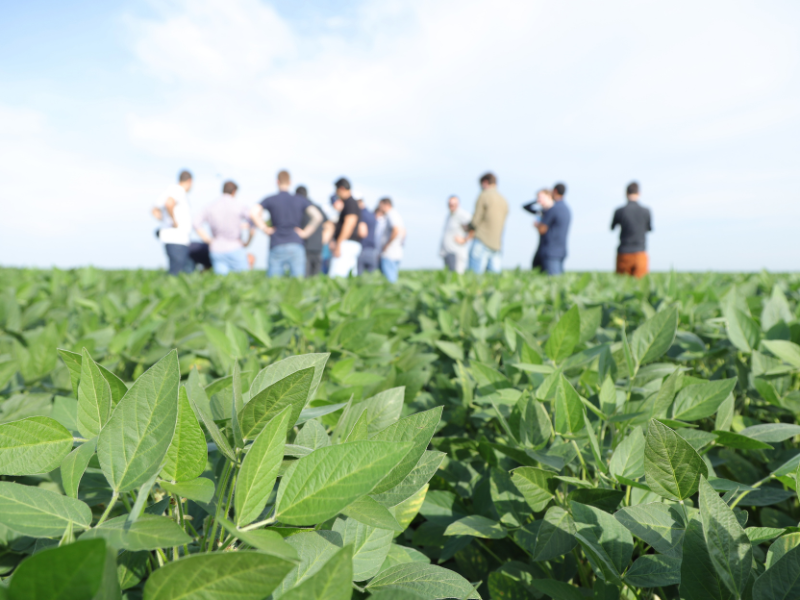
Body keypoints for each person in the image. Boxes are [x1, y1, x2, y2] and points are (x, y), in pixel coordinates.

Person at [251, 170, 323, 278]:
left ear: (277, 181)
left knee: (274, 285)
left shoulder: (271, 199)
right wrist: (305, 233)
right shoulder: (299, 200)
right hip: (296, 244)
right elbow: (318, 216)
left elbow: (253, 213)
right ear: (290, 182)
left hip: (277, 243)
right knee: (297, 285)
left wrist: (265, 229)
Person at [192, 180, 253, 275]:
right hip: (235, 247)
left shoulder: (210, 206)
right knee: (243, 281)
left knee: (222, 285)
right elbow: (253, 220)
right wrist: (248, 241)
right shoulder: (239, 205)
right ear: (234, 192)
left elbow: (196, 223)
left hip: (217, 249)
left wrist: (208, 239)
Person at [152, 170, 194, 275]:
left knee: (175, 270)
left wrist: (164, 220)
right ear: (190, 181)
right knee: (178, 273)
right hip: (177, 238)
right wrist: (173, 221)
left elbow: (154, 210)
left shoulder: (170, 190)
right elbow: (169, 203)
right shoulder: (178, 190)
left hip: (171, 237)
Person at [467, 172, 508, 274]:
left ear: (485, 182)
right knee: (493, 280)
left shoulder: (484, 195)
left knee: (474, 277)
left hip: (482, 240)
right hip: (497, 243)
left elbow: (476, 219)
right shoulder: (503, 200)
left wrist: (468, 227)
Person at [612, 181, 652, 278]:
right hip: (640, 253)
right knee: (640, 286)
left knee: (622, 286)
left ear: (626, 193)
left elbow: (612, 227)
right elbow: (649, 229)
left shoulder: (619, 211)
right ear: (639, 193)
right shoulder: (646, 211)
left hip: (623, 253)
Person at [534, 182, 571, 275]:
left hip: (550, 251)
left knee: (552, 283)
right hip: (561, 250)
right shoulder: (567, 209)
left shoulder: (553, 209)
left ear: (554, 191)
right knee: (558, 282)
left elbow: (542, 229)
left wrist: (537, 225)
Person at [329, 178, 362, 277]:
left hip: (346, 244)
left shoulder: (350, 202)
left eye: (337, 190)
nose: (336, 193)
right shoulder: (352, 202)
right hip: (350, 243)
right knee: (349, 276)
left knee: (335, 276)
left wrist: (339, 243)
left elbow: (349, 224)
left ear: (342, 188)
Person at [296, 185, 327, 277]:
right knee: (315, 278)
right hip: (318, 246)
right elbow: (328, 224)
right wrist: (324, 239)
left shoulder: (300, 209)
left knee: (305, 276)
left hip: (305, 246)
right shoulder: (317, 207)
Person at [524, 189, 555, 271]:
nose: (539, 200)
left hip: (551, 246)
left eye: (540, 197)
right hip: (542, 244)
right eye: (537, 198)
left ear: (549, 196)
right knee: (536, 266)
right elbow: (525, 207)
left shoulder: (554, 210)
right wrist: (537, 201)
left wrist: (538, 226)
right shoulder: (541, 212)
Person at [439, 195, 471, 274]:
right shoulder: (449, 215)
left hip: (456, 253)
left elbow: (474, 226)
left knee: (455, 278)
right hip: (447, 252)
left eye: (454, 204)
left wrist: (465, 239)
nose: (451, 206)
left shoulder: (462, 214)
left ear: (458, 204)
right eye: (449, 204)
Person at [377, 197, 406, 283]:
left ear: (387, 205)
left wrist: (387, 244)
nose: (379, 208)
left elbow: (396, 230)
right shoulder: (396, 214)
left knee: (389, 279)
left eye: (381, 205)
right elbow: (404, 231)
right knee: (392, 275)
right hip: (396, 251)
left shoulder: (391, 214)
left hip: (389, 252)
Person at [357, 197, 379, 274]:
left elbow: (362, 233)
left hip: (363, 248)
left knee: (359, 278)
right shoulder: (371, 215)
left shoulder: (361, 214)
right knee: (371, 278)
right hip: (372, 250)